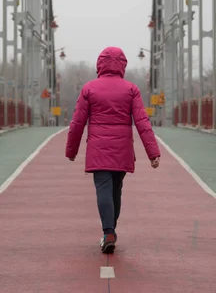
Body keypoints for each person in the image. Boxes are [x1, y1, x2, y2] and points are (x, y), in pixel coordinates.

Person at [65, 46, 161, 254]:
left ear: (100, 64)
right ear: (123, 65)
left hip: (98, 150)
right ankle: (111, 230)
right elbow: (142, 122)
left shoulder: (89, 88)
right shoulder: (131, 89)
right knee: (116, 190)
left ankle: (108, 231)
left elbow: (77, 122)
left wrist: (71, 150)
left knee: (103, 189)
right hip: (122, 149)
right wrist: (153, 153)